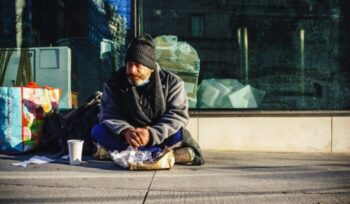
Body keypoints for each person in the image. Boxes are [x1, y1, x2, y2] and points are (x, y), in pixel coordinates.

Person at [91, 33, 205, 165]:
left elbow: (178, 115)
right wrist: (125, 131)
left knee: (178, 134)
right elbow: (109, 113)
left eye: (138, 65)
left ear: (151, 68)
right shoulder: (115, 82)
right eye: (129, 64)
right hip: (127, 137)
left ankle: (120, 154)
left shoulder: (172, 82)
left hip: (157, 135)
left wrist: (150, 134)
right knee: (98, 131)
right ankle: (159, 154)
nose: (131, 70)